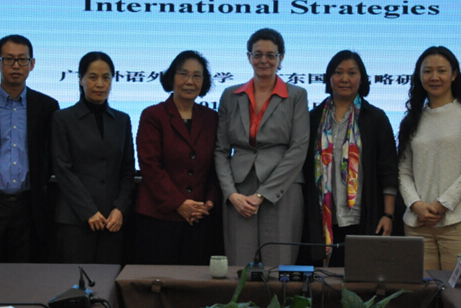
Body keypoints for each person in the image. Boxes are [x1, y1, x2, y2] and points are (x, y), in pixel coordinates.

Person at [0, 35, 59, 281]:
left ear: (32, 64)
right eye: (9, 59)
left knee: (24, 281)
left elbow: (51, 156)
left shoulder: (47, 107)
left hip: (29, 208)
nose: (16, 65)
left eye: (22, 60)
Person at [214, 28, 309, 267]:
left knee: (278, 268)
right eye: (257, 54)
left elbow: (298, 149)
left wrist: (262, 195)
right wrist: (230, 194)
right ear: (249, 57)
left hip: (282, 190)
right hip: (239, 191)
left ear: (281, 58)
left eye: (270, 55)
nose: (263, 60)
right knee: (240, 267)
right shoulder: (230, 95)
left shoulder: (296, 95)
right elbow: (220, 150)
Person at [302, 50, 398, 267]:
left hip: (363, 218)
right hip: (322, 218)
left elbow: (388, 171)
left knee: (360, 277)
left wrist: (388, 215)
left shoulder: (375, 118)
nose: (344, 78)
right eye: (338, 72)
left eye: (352, 73)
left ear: (361, 78)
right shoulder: (313, 118)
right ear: (329, 78)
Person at [397, 46, 461, 271]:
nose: (434, 77)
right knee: (421, 289)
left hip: (458, 223)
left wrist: (441, 205)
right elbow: (403, 171)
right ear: (419, 76)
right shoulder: (412, 120)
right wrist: (416, 205)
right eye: (427, 71)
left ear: (454, 74)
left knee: (456, 290)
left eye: (441, 71)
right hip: (417, 224)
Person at [134, 51, 220, 265]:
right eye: (183, 74)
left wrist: (209, 201)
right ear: (171, 77)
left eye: (197, 76)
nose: (190, 81)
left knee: (195, 281)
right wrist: (179, 203)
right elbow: (150, 166)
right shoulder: (153, 115)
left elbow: (215, 165)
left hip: (198, 217)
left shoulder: (211, 118)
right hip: (159, 217)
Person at [51, 52, 135, 264]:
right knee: (75, 281)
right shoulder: (63, 118)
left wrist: (120, 209)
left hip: (112, 221)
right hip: (75, 220)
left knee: (109, 280)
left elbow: (127, 170)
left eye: (106, 77)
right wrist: (89, 211)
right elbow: (62, 169)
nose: (100, 84)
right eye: (92, 77)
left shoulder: (122, 120)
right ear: (80, 79)